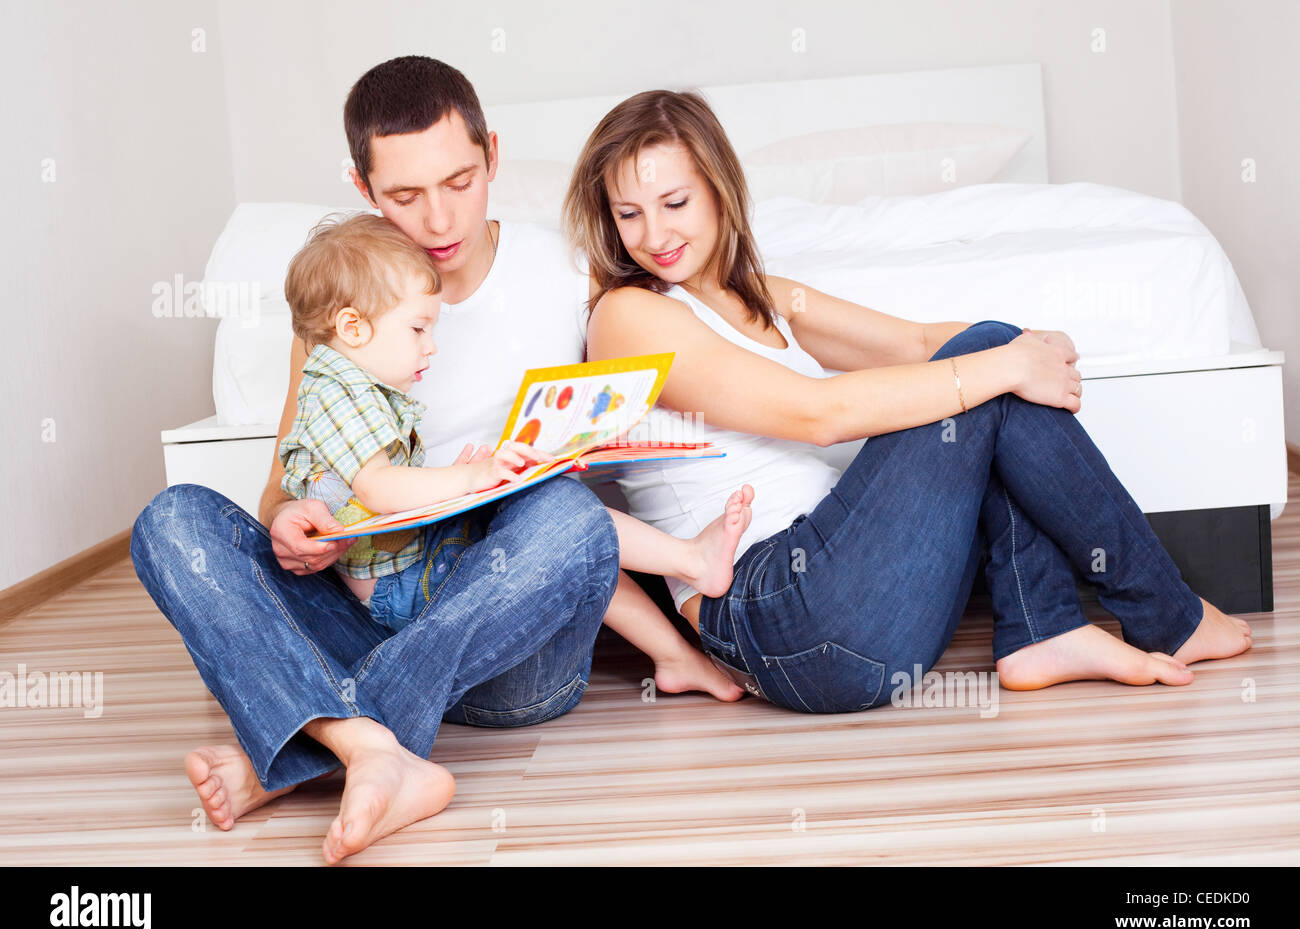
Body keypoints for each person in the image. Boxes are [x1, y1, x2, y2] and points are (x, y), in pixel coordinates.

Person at [561, 89, 1255, 712]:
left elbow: (918, 342)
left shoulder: (759, 293)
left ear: (718, 191)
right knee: (991, 362)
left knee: (993, 352)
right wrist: (1005, 359)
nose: (654, 236)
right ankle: (1164, 616)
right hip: (776, 611)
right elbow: (817, 414)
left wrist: (1030, 345)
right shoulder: (627, 314)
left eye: (674, 204)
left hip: (856, 613)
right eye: (629, 214)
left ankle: (1047, 632)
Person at [132, 55, 656, 866]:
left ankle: (306, 748)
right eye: (406, 198)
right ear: (362, 186)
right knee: (173, 522)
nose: (441, 219)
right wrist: (286, 521)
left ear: (492, 153)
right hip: (358, 604)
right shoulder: (341, 302)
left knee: (571, 522)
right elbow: (285, 474)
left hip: (503, 647)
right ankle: (376, 750)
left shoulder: (568, 268)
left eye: (460, 180)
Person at [277, 210, 754, 690]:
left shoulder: (359, 389)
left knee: (548, 506)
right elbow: (379, 489)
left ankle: (676, 638)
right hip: (401, 590)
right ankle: (687, 572)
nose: (432, 347)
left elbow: (381, 495)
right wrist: (470, 478)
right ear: (354, 328)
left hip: (413, 564)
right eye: (418, 329)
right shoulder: (338, 391)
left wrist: (462, 486)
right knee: (558, 515)